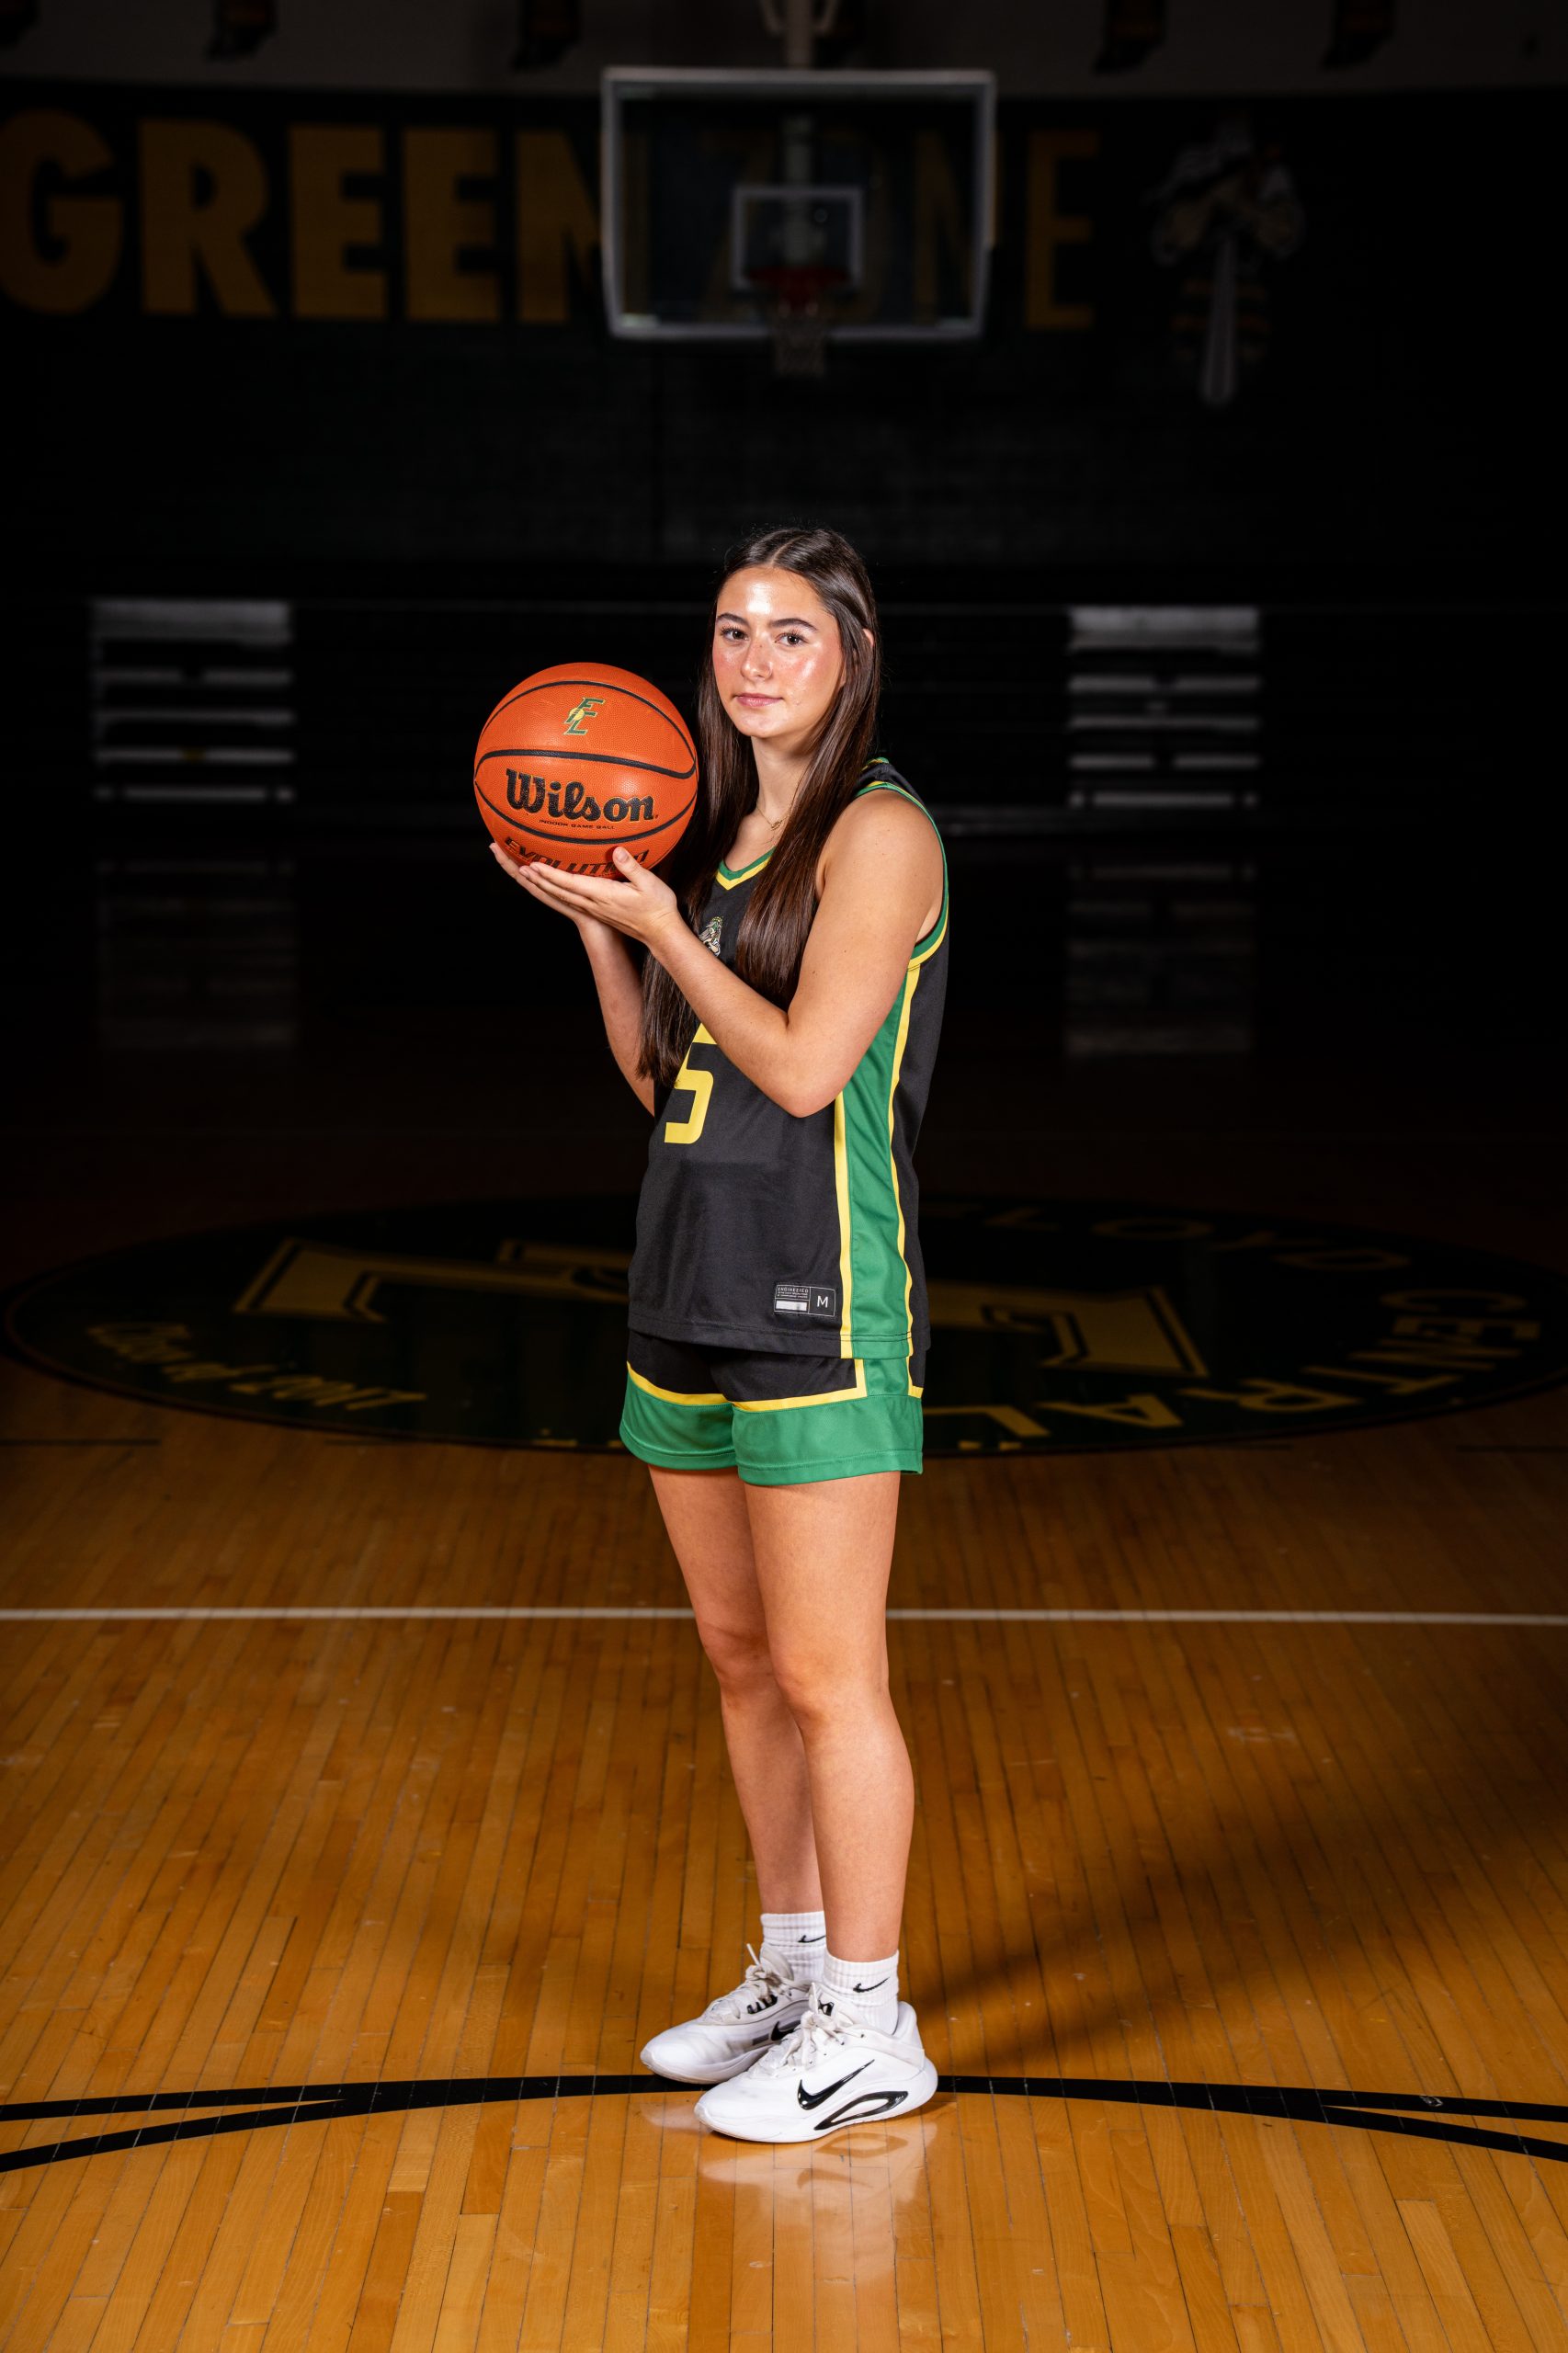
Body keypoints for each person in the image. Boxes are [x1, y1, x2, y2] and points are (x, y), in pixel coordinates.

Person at [489, 524, 949, 2143]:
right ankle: (795, 1970)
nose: (754, 661)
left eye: (790, 634)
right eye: (732, 631)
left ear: (852, 656)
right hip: (687, 1279)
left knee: (829, 1676)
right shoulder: (718, 835)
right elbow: (665, 1082)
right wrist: (602, 926)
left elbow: (809, 1070)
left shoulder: (878, 834)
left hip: (821, 1289)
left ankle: (870, 2028)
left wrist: (667, 927)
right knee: (743, 1662)